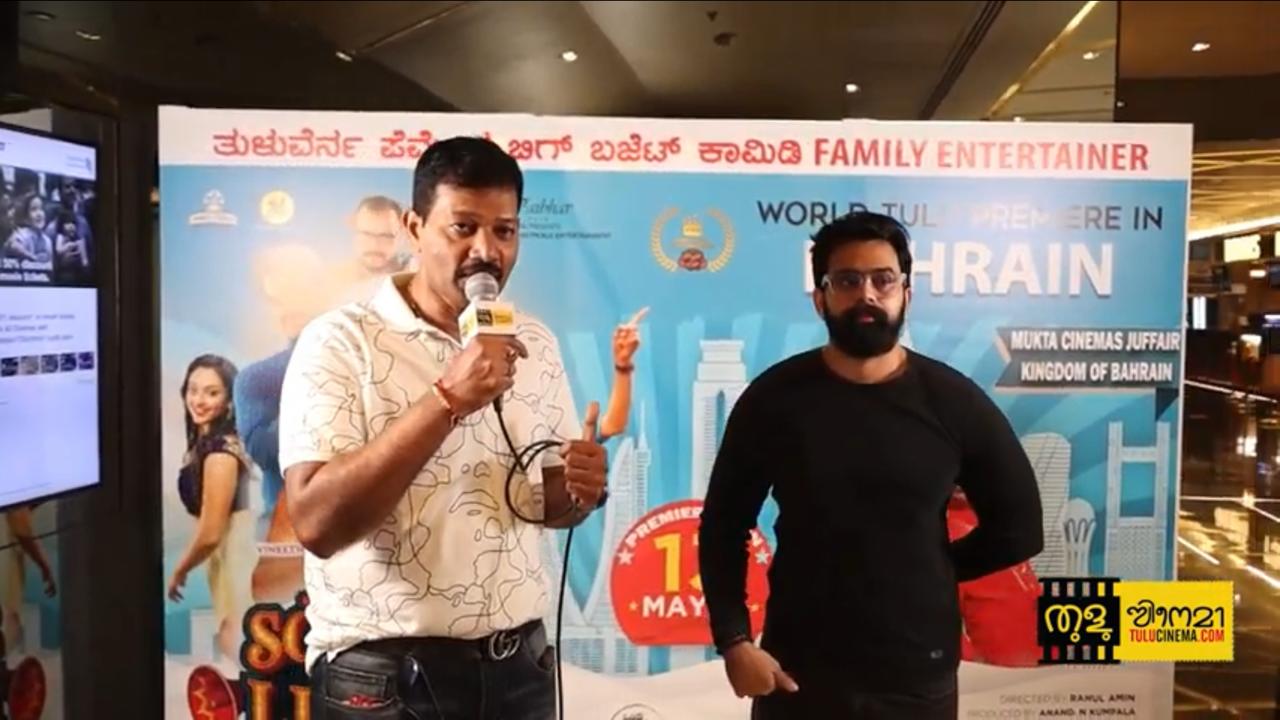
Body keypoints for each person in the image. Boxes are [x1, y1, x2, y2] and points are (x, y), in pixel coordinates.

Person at [279, 136, 608, 720]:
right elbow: (316, 524)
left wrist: (580, 490)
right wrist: (447, 400)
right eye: (463, 227)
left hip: (519, 671)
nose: (486, 251)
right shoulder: (340, 341)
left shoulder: (532, 340)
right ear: (414, 228)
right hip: (385, 681)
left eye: (504, 231)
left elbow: (546, 506)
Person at [697, 211, 1043, 719]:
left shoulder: (952, 402)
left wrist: (928, 567)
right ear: (820, 298)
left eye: (884, 280)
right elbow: (722, 527)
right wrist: (733, 641)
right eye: (847, 281)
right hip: (796, 674)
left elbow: (1020, 528)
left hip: (916, 678)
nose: (868, 295)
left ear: (907, 294)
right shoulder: (774, 399)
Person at [167, 354, 257, 660]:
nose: (199, 400)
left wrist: (179, 571)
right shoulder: (206, 445)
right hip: (226, 557)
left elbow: (210, 532)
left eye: (212, 392)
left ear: (229, 400)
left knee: (239, 643)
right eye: (193, 390)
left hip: (237, 557)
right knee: (238, 644)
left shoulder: (221, 454)